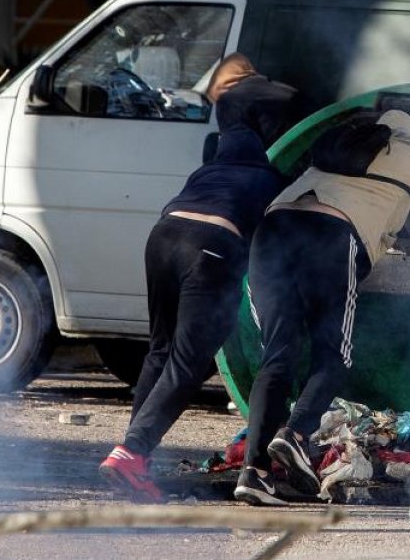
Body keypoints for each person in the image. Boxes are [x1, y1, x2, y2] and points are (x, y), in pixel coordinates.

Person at [233, 110, 410, 506]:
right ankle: (294, 434)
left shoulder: (335, 146)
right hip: (330, 236)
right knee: (334, 355)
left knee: (277, 357)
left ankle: (254, 474)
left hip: (273, 230)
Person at [98, 127, 287, 503]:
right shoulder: (268, 178)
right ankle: (132, 453)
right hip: (209, 247)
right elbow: (275, 242)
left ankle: (137, 458)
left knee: (160, 351)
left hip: (161, 238)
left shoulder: (204, 174)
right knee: (188, 361)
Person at [207, 53, 312, 148]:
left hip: (269, 162)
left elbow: (234, 150)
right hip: (302, 158)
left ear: (221, 84)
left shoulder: (229, 100)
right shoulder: (288, 91)